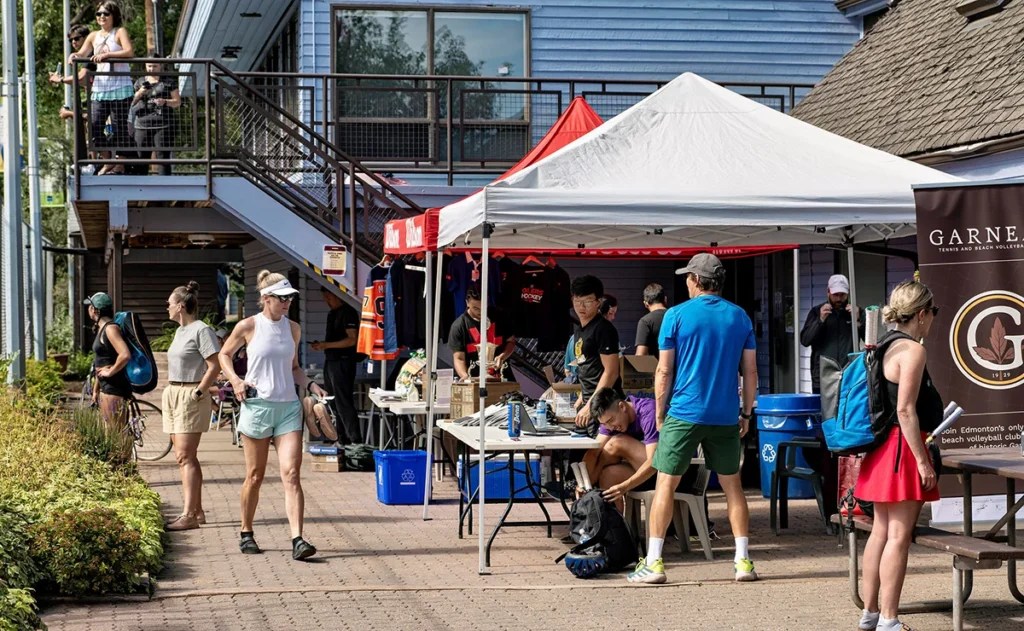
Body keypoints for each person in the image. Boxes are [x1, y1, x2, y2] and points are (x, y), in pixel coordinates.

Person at [628, 253, 757, 584]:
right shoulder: (740, 317)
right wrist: (746, 412)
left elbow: (664, 370)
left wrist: (658, 412)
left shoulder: (676, 316)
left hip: (684, 412)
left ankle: (654, 563)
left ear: (697, 281)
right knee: (732, 487)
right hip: (726, 413)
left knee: (665, 485)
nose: (685, 282)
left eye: (688, 277)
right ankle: (743, 561)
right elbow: (750, 371)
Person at [218, 271, 326, 560]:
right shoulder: (248, 325)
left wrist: (311, 383)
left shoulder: (293, 328)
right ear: (266, 299)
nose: (288, 302)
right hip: (258, 408)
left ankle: (298, 539)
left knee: (291, 474)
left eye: (290, 297)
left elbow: (293, 367)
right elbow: (224, 355)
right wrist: (236, 381)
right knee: (255, 476)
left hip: (288, 407)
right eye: (282, 298)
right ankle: (246, 532)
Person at [854, 281, 941, 631]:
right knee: (898, 536)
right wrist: (922, 460)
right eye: (933, 313)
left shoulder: (879, 345)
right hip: (902, 449)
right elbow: (906, 410)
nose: (933, 319)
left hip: (879, 448)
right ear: (921, 314)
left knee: (880, 531)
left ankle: (870, 612)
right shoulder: (912, 350)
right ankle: (889, 619)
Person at [162, 282, 221, 532]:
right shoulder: (179, 332)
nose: (166, 307)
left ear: (180, 306)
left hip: (190, 393)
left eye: (169, 303)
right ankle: (197, 511)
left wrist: (199, 391)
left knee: (185, 456)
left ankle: (188, 515)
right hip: (174, 393)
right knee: (184, 457)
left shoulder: (202, 330)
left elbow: (215, 365)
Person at [72, 2, 134, 175]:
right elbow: (83, 53)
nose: (101, 17)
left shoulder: (119, 32)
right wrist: (74, 55)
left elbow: (129, 52)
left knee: (119, 126)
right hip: (101, 88)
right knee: (93, 125)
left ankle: (120, 164)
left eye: (105, 13)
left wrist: (107, 55)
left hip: (120, 86)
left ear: (113, 15)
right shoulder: (93, 36)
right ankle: (106, 159)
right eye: (98, 13)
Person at [583, 388, 660, 512]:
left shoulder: (649, 411)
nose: (610, 427)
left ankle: (591, 482)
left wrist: (625, 486)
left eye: (610, 421)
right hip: (646, 472)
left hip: (672, 472)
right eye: (605, 424)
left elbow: (654, 461)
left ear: (622, 406)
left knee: (616, 442)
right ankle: (614, 528)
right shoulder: (612, 421)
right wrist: (582, 482)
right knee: (608, 475)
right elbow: (593, 452)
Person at [571, 275, 622, 430]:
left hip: (604, 407)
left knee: (601, 451)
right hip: (589, 402)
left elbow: (611, 372)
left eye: (587, 301)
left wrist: (590, 406)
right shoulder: (581, 328)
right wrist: (582, 396)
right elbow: (588, 365)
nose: (581, 307)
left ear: (598, 302)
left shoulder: (603, 329)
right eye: (577, 301)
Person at [311, 287, 361, 444]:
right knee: (332, 400)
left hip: (344, 360)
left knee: (343, 401)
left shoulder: (348, 312)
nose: (327, 301)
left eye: (329, 298)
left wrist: (327, 345)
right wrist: (323, 345)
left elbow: (352, 339)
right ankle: (341, 437)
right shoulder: (331, 314)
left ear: (338, 296)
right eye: (325, 298)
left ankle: (354, 441)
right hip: (331, 361)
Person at [800, 274, 864, 394]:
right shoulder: (816, 311)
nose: (839, 299)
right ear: (828, 291)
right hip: (822, 376)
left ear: (848, 293)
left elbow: (869, 340)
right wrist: (820, 320)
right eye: (835, 295)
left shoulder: (856, 311)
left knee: (846, 411)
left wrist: (857, 321)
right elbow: (805, 340)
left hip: (849, 374)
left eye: (842, 295)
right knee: (823, 412)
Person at [84, 292, 132, 427]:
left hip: (114, 388)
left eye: (89, 307)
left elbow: (125, 354)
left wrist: (110, 372)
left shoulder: (110, 329)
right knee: (113, 435)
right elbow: (101, 361)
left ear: (94, 309)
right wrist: (95, 390)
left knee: (115, 436)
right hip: (107, 388)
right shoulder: (103, 328)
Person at [448, 285, 515, 382]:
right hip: (474, 378)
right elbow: (459, 358)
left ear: (487, 300)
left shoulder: (500, 316)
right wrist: (465, 376)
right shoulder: (459, 326)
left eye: (483, 306)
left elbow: (511, 342)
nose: (480, 311)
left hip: (502, 376)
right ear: (467, 303)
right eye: (476, 308)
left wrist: (502, 356)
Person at [129, 62, 181, 176]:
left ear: (160, 66)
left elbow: (177, 102)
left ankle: (165, 185)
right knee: (141, 156)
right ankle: (141, 185)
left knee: (162, 156)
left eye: (155, 66)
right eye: (149, 66)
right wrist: (140, 92)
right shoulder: (139, 82)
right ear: (145, 66)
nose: (152, 69)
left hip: (163, 123)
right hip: (142, 123)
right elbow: (132, 103)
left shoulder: (169, 82)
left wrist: (165, 102)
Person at [635, 283, 668, 356]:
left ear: (646, 304)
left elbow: (640, 356)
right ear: (665, 299)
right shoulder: (677, 317)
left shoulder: (645, 321)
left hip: (656, 366)